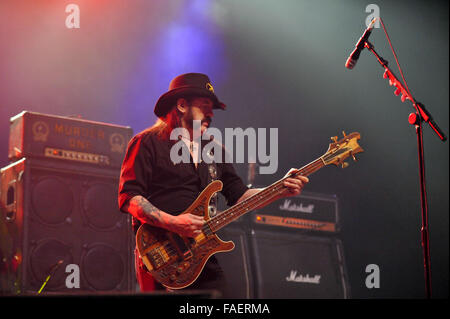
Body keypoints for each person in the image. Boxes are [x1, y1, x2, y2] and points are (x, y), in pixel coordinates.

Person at [118, 73, 309, 296]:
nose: (210, 114)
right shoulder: (147, 142)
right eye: (204, 106)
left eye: (212, 109)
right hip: (162, 256)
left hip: (202, 255)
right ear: (181, 105)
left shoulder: (215, 150)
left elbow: (239, 196)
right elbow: (130, 197)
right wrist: (174, 223)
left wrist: (280, 189)